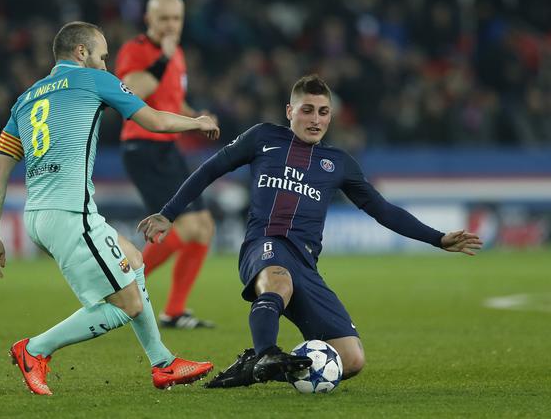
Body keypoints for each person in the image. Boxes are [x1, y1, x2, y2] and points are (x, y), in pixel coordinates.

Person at [138, 75, 483, 388]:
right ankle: (266, 352)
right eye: (307, 110)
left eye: (323, 112)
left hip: (306, 264)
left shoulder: (339, 163)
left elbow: (382, 210)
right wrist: (169, 213)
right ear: (290, 111)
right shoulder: (262, 137)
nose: (315, 120)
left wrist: (436, 238)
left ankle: (255, 366)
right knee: (278, 279)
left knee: (352, 359)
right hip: (264, 246)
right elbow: (208, 171)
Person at [0, 21, 219, 396]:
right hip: (70, 214)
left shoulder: (25, 99)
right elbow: (154, 120)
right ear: (81, 53)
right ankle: (34, 349)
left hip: (40, 215)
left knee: (134, 260)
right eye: (103, 56)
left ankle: (163, 363)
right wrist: (197, 122)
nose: (107, 65)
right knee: (127, 306)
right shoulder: (94, 80)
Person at [116, 0, 216, 329]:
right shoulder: (136, 50)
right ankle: (120, 284)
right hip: (142, 148)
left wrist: (199, 118)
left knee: (203, 228)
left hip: (169, 148)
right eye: (164, 19)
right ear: (148, 19)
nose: (171, 25)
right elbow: (133, 90)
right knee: (185, 226)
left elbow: (175, 101)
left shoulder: (179, 54)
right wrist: (163, 57)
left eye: (176, 19)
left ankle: (174, 312)